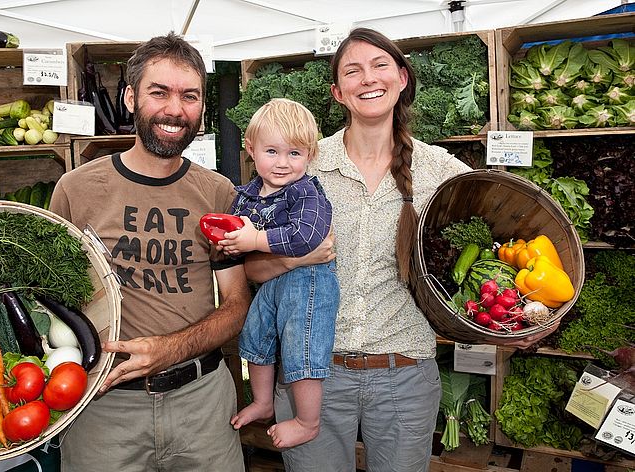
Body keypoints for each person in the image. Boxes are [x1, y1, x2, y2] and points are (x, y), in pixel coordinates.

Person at [243, 28, 559, 472]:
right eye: (352, 71)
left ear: (403, 78)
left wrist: (524, 315)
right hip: (310, 372)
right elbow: (254, 269)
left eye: (379, 66)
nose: (367, 78)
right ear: (337, 91)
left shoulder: (441, 171)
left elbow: (498, 250)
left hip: (404, 376)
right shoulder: (301, 164)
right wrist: (299, 257)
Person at [49, 32, 251, 472]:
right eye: (158, 92)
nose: (175, 110)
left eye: (189, 96)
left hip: (201, 405)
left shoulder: (218, 193)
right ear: (130, 98)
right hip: (102, 409)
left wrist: (170, 349)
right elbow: (51, 299)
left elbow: (236, 306)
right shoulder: (77, 189)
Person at [218, 98, 339, 449]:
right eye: (272, 151)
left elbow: (306, 237)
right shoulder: (246, 196)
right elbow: (234, 233)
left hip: (309, 283)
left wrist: (254, 238)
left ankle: (307, 420)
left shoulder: (307, 193)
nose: (283, 163)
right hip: (271, 281)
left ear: (310, 154)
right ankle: (263, 401)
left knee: (303, 346)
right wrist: (228, 239)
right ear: (251, 149)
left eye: (295, 153)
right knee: (255, 336)